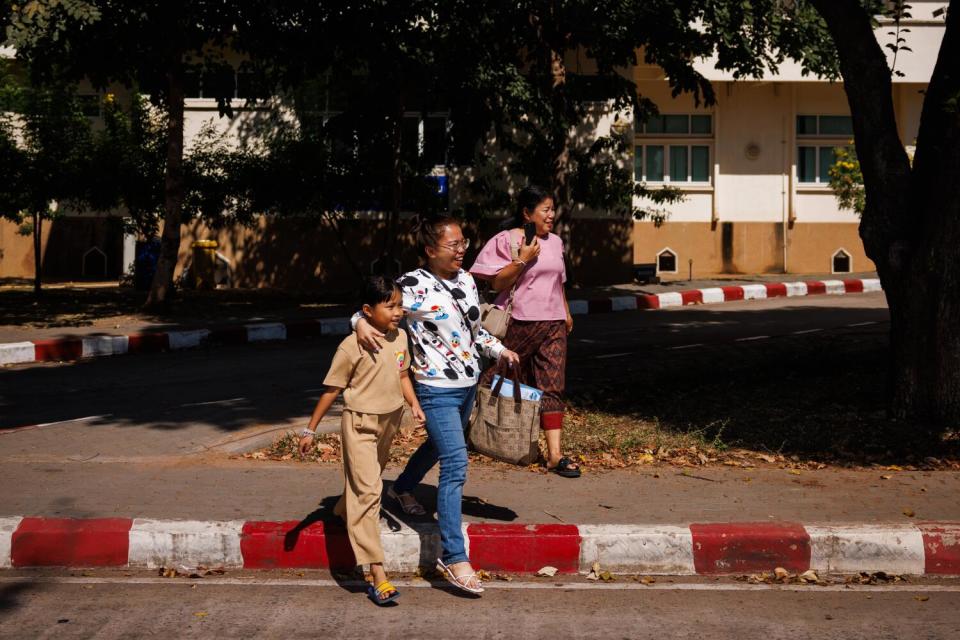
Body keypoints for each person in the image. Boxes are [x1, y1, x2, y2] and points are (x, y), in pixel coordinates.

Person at [354, 215, 520, 595]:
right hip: (434, 388)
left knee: (439, 443)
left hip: (466, 385)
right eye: (453, 245)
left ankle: (401, 487)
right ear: (430, 250)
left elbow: (474, 333)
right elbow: (375, 309)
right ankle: (454, 556)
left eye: (464, 243)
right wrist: (358, 323)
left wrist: (500, 350)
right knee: (456, 463)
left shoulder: (464, 280)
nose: (462, 250)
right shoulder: (412, 285)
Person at [298, 276, 426, 607]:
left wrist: (413, 403)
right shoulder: (351, 345)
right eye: (390, 306)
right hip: (359, 424)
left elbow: (402, 374)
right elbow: (332, 389)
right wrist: (310, 430)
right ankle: (378, 575)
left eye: (400, 305)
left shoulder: (399, 337)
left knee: (361, 487)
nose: (398, 312)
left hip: (389, 422)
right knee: (370, 491)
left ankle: (341, 511)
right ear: (367, 311)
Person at [470, 185, 581, 478]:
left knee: (553, 385)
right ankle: (474, 430)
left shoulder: (556, 242)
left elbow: (559, 282)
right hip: (520, 320)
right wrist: (522, 258)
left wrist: (566, 311)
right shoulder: (507, 240)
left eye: (553, 209)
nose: (551, 215)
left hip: (554, 322)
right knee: (497, 373)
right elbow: (494, 284)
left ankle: (555, 455)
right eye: (545, 210)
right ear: (526, 213)